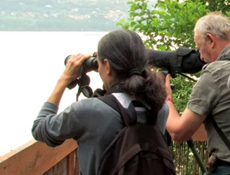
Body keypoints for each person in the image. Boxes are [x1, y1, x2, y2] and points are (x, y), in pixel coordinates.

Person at [32, 30, 168, 175]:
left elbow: (40, 128)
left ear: (107, 65)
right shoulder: (159, 107)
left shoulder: (89, 111)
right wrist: (108, 69)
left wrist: (64, 79)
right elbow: (122, 97)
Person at [165, 12, 230, 175]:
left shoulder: (215, 73)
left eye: (199, 48)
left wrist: (165, 97)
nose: (200, 56)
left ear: (210, 39)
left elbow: (178, 133)